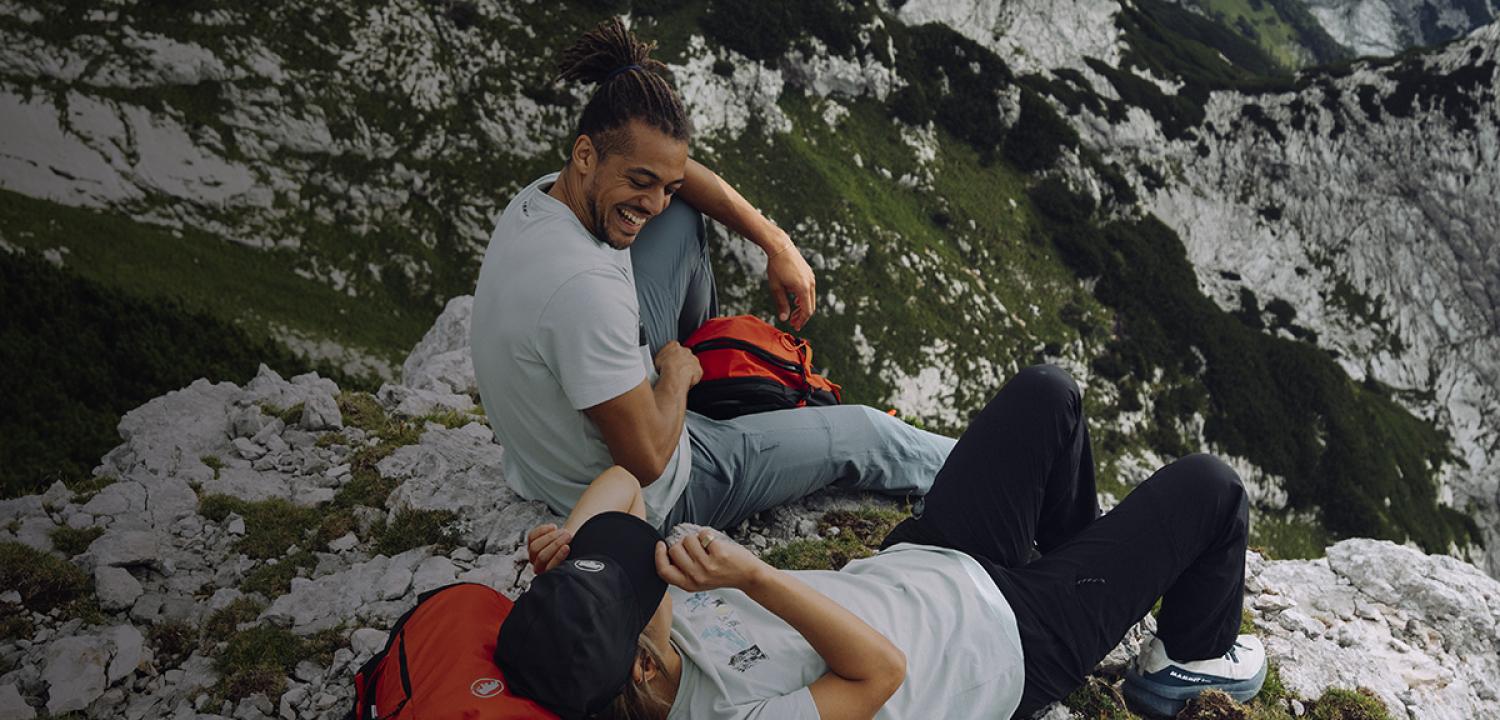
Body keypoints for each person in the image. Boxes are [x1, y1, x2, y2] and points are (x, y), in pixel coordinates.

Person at [500, 366, 1268, 719]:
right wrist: (754, 575)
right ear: (640, 663)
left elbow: (622, 486)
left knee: (1048, 394)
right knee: (1212, 487)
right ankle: (1186, 668)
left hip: (926, 559)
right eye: (643, 591)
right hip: (1005, 643)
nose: (654, 574)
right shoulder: (728, 714)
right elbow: (880, 672)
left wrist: (574, 544)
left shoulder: (638, 633)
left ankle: (1088, 571)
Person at [470, 18, 954, 532]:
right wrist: (677, 374)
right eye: (641, 183)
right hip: (655, 490)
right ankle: (992, 464)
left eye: (666, 184)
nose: (654, 203)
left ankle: (711, 397)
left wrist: (776, 242)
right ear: (586, 153)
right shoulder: (586, 292)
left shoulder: (546, 196)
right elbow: (645, 462)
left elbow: (676, 176)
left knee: (682, 219)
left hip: (545, 452)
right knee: (868, 434)